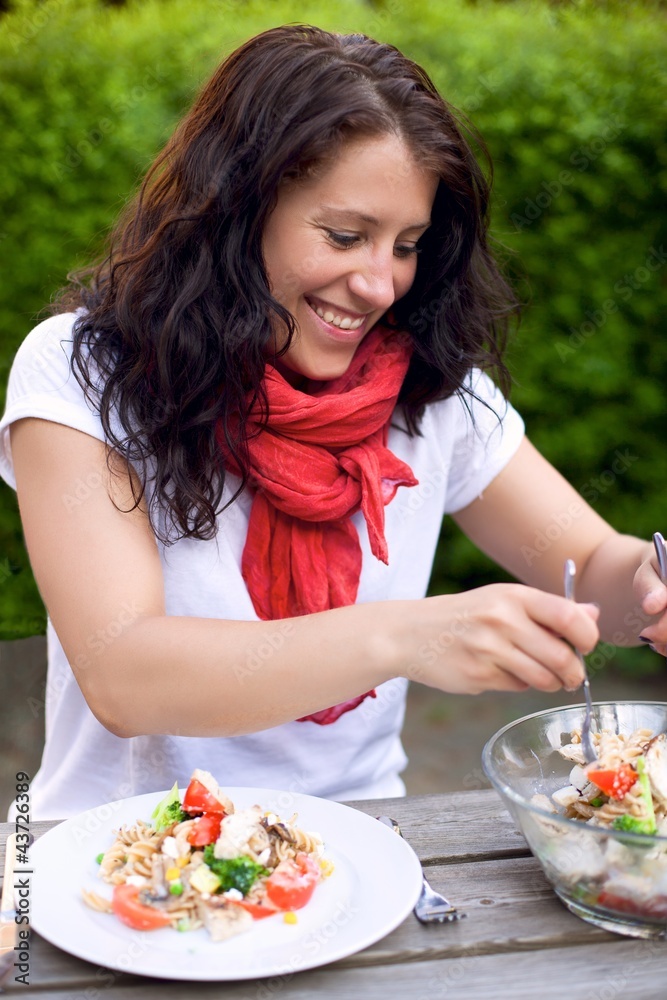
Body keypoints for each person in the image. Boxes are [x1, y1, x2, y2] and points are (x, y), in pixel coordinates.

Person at [1, 25, 665, 821]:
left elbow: (589, 560)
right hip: (115, 854)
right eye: (345, 236)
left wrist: (646, 588)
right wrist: (406, 637)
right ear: (234, 210)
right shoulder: (86, 372)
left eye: (407, 245)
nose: (382, 284)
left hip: (355, 849)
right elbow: (125, 675)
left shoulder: (431, 387)